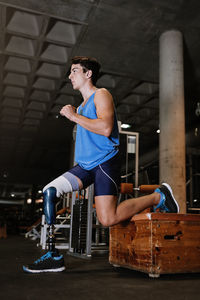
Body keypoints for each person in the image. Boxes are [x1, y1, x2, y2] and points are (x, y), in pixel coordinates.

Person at [23, 56, 179, 273]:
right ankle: (53, 254)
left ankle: (159, 196)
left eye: (75, 71)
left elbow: (106, 128)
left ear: (88, 74)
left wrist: (73, 116)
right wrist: (76, 113)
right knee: (49, 191)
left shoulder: (101, 94)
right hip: (85, 166)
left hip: (105, 163)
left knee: (108, 219)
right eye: (70, 72)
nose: (70, 76)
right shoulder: (81, 105)